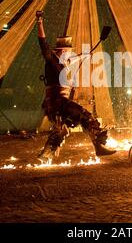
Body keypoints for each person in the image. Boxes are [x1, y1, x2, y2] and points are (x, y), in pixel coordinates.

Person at [35, 11, 116, 162]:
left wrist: (85, 55)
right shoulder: (51, 59)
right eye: (68, 51)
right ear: (62, 51)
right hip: (58, 102)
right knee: (86, 116)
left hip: (54, 105)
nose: (70, 54)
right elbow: (43, 43)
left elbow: (75, 58)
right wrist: (40, 23)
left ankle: (45, 156)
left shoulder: (64, 61)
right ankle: (99, 147)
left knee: (61, 130)